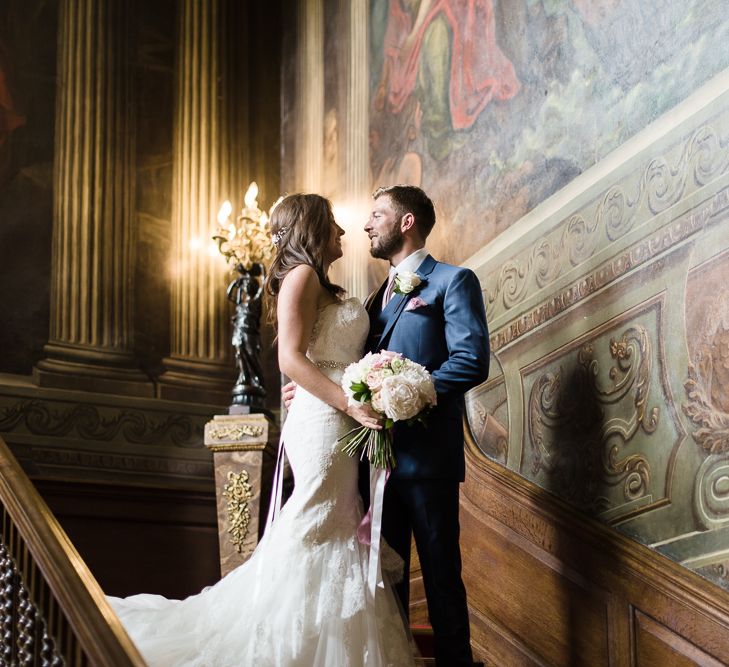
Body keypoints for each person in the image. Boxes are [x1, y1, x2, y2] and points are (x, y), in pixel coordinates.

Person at [108, 194, 416, 666]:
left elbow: (315, 357)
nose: (342, 230)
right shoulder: (302, 275)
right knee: (318, 519)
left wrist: (350, 387)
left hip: (333, 413)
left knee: (332, 519)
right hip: (327, 421)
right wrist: (346, 403)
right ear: (313, 227)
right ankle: (273, 633)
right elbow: (289, 358)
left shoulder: (319, 282)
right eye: (332, 223)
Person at [363, 184, 489, 666]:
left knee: (440, 576)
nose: (368, 224)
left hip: (429, 459)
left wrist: (408, 394)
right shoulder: (376, 297)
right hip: (376, 462)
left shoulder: (452, 282)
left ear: (407, 221)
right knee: (385, 580)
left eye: (377, 214)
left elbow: (471, 360)